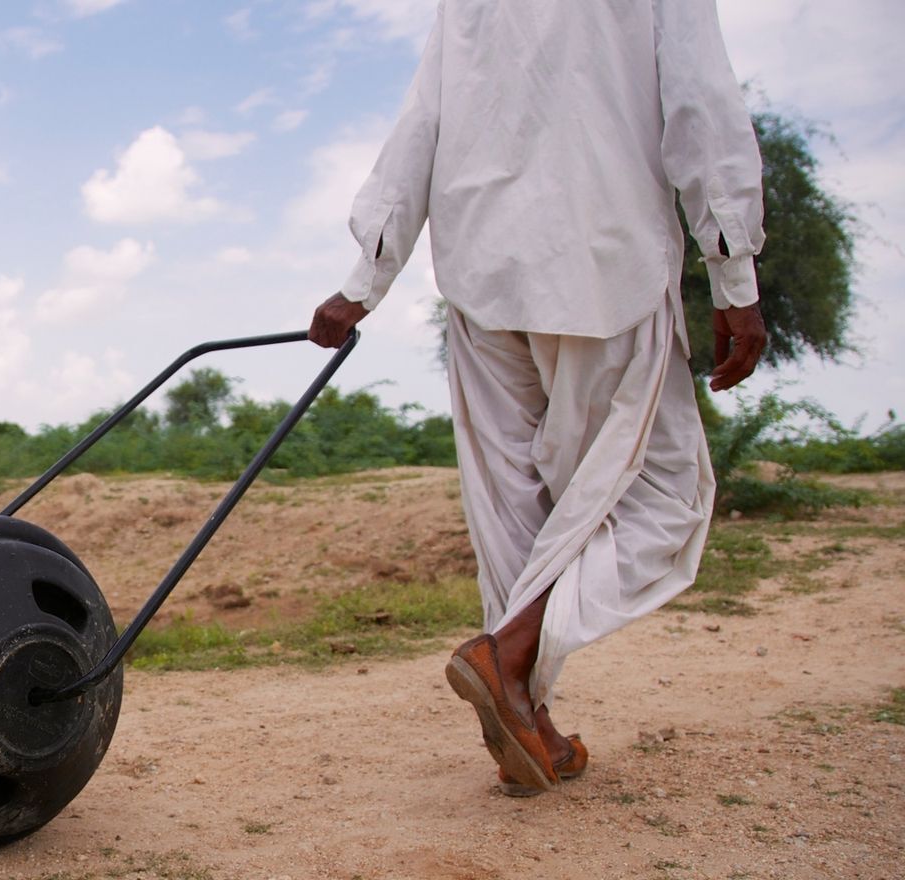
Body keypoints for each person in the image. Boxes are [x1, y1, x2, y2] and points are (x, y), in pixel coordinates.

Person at [308, 0, 768, 795]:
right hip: (604, 257)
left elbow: (421, 121)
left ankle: (529, 716)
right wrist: (733, 273)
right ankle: (508, 655)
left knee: (515, 516)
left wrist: (363, 283)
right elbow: (701, 107)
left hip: (482, 272)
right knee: (666, 500)